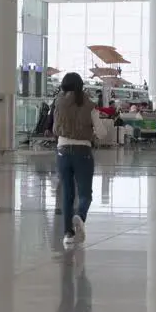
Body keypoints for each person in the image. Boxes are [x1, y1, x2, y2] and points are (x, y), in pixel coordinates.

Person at [53, 72, 102, 247]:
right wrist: (93, 135)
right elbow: (102, 132)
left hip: (62, 151)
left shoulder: (58, 103)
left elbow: (54, 127)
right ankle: (80, 216)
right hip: (83, 152)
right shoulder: (90, 105)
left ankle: (68, 234)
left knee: (67, 194)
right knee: (85, 193)